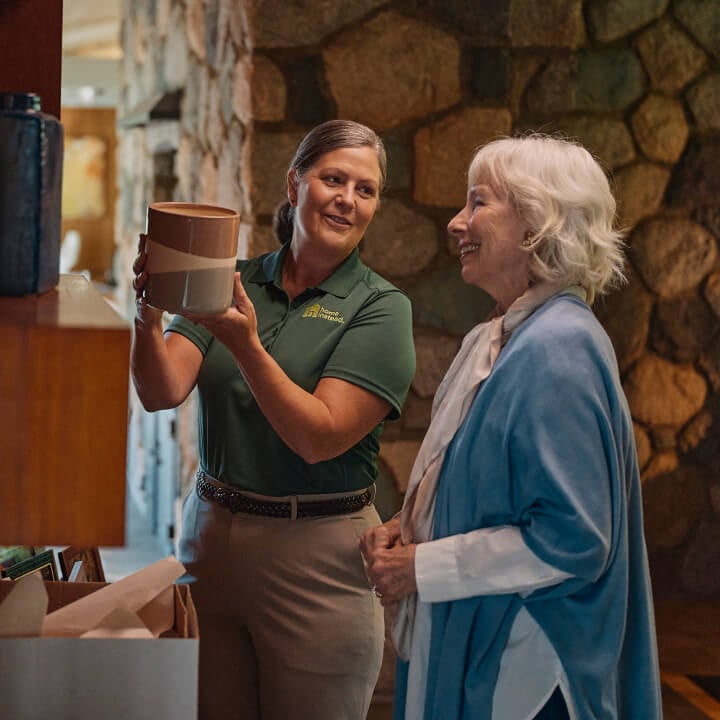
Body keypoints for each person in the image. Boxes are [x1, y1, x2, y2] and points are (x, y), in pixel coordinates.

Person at [360, 133, 662, 720]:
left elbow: (574, 540)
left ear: (538, 224)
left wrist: (420, 566)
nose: (456, 222)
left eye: (478, 203)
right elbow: (481, 482)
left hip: (529, 674)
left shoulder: (558, 350)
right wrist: (409, 526)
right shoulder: (501, 336)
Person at [131, 119, 416, 720]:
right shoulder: (235, 279)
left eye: (365, 189)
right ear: (295, 186)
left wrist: (245, 345)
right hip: (210, 538)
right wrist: (148, 316)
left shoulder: (380, 308)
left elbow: (318, 437)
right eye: (332, 178)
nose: (347, 198)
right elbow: (162, 390)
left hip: (317, 554)